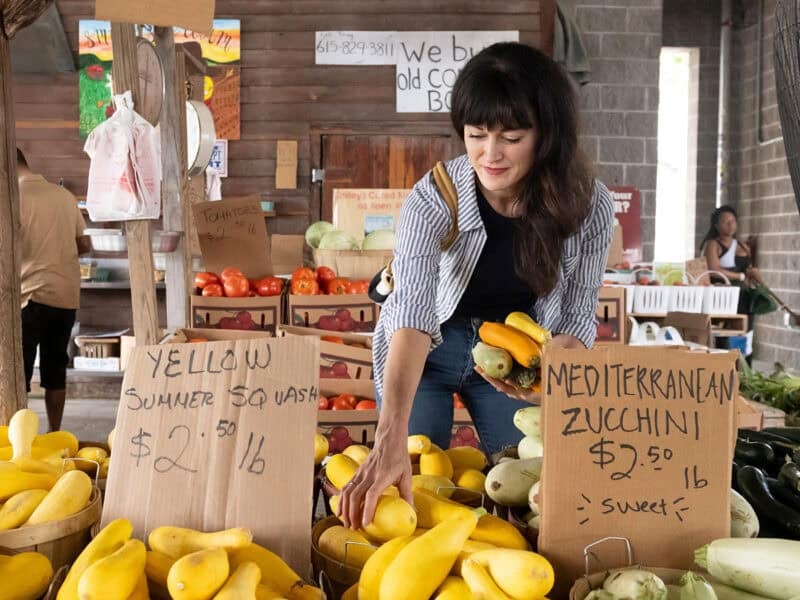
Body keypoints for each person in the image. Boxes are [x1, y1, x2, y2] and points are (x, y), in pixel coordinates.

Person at [338, 42, 615, 529]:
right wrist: (388, 438)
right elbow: (410, 314)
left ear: (547, 136)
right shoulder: (435, 196)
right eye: (476, 135)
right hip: (428, 350)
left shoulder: (588, 206)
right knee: (411, 486)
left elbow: (573, 318)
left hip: (514, 359)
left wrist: (551, 384)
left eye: (511, 137)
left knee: (525, 487)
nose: (491, 155)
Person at [18, 147, 91, 431]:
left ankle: (17, 439)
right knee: (55, 369)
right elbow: (84, 243)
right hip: (65, 295)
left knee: (17, 374)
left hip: (29, 296)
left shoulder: (15, 198)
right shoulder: (63, 196)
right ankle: (55, 433)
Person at [700, 205, 763, 321]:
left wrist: (755, 276)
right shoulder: (713, 245)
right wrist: (740, 276)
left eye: (733, 221)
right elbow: (714, 270)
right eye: (725, 222)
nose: (730, 224)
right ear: (717, 226)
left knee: (745, 331)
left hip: (743, 297)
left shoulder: (743, 247)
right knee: (725, 334)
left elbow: (749, 272)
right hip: (722, 297)